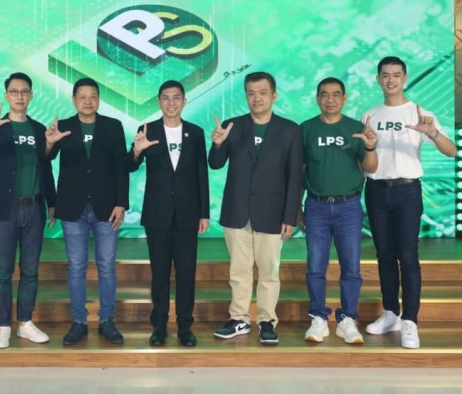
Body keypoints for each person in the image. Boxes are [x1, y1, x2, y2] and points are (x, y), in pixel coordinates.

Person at [362, 56, 456, 349]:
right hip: (376, 190)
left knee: (408, 256)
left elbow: (451, 151)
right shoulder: (369, 115)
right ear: (378, 79)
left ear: (404, 78)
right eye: (385, 75)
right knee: (384, 255)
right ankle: (390, 313)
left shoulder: (420, 113)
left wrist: (432, 133)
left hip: (407, 191)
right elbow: (366, 160)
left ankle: (410, 320)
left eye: (396, 75)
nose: (391, 80)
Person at [208, 71, 302, 345]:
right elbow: (215, 164)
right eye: (251, 93)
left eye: (262, 93)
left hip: (272, 213)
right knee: (239, 271)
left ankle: (266, 321)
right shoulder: (233, 126)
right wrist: (217, 144)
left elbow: (294, 177)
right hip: (237, 211)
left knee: (269, 272)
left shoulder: (290, 130)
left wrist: (290, 216)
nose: (256, 98)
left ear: (274, 95)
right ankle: (239, 318)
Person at [0, 72, 56, 348]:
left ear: (31, 95)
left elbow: (46, 166)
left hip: (34, 208)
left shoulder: (39, 129)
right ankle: (3, 325)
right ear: (6, 95)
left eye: (24, 91)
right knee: (3, 271)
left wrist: (52, 203)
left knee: (30, 270)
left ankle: (25, 323)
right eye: (14, 92)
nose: (19, 96)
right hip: (5, 210)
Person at [45, 77, 129, 345]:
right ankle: (79, 322)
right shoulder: (63, 127)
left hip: (107, 207)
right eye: (82, 97)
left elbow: (121, 167)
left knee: (107, 267)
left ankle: (107, 321)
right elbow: (46, 158)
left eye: (93, 96)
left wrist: (121, 203)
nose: (88, 101)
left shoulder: (113, 126)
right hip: (73, 207)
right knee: (76, 267)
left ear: (99, 99)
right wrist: (49, 143)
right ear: (73, 100)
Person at [127, 80, 210, 348]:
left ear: (184, 101)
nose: (171, 103)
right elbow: (130, 165)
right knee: (159, 273)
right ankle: (159, 326)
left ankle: (185, 326)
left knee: (186, 273)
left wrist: (204, 213)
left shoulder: (195, 132)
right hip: (157, 214)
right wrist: (137, 150)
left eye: (176, 98)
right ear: (158, 101)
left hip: (188, 214)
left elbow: (201, 173)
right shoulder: (147, 130)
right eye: (166, 97)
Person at [298, 77, 378, 345]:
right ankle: (318, 318)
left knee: (351, 267)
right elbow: (300, 171)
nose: (330, 99)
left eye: (335, 94)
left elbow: (371, 167)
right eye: (324, 94)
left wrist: (369, 146)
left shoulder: (356, 129)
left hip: (348, 207)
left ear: (344, 98)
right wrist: (297, 207)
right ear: (317, 98)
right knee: (315, 267)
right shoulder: (306, 129)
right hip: (316, 206)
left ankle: (347, 319)